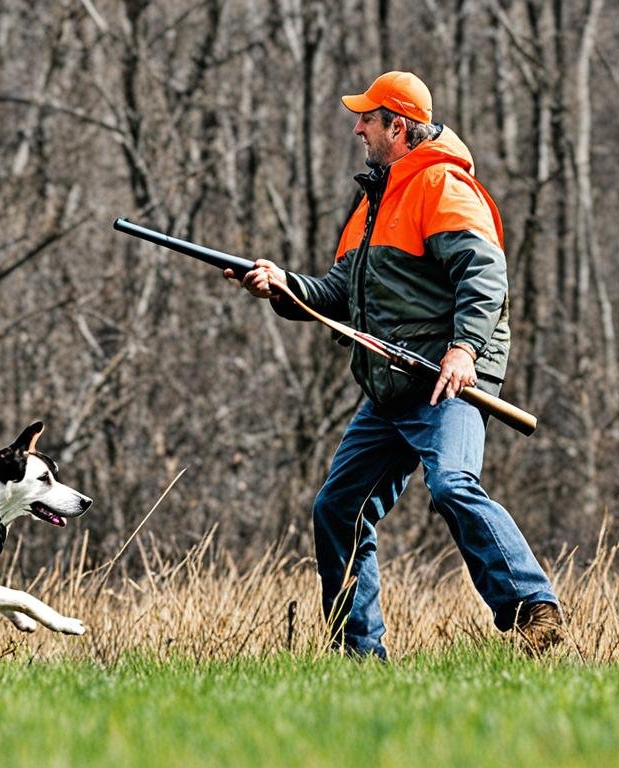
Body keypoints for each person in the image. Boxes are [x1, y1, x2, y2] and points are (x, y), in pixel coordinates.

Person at [227, 71, 563, 659]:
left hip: (447, 381)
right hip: (390, 388)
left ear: (397, 127)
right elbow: (334, 294)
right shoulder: (371, 202)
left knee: (453, 483)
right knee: (337, 507)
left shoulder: (441, 186)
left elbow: (484, 279)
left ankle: (535, 610)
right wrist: (280, 286)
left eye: (368, 118)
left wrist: (464, 351)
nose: (358, 127)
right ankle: (359, 657)